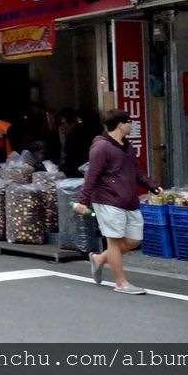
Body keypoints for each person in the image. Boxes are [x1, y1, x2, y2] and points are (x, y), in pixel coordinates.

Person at [74, 109, 163, 295]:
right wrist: (83, 200)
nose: (132, 125)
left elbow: (136, 171)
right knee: (114, 241)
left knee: (134, 240)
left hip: (128, 199)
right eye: (130, 121)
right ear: (121, 124)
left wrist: (152, 186)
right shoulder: (101, 147)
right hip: (108, 199)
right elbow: (92, 175)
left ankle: (99, 259)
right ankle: (121, 283)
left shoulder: (126, 146)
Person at [63, 107, 101, 177]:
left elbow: (67, 148)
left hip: (76, 164)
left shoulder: (75, 130)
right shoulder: (98, 129)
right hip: (93, 162)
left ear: (79, 118)